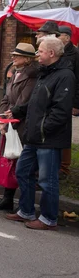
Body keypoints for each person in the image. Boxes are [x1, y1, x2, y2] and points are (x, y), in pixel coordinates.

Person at [5, 37, 75, 231]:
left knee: (47, 180)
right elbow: (37, 102)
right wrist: (19, 110)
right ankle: (26, 210)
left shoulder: (64, 76)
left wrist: (43, 130)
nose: (37, 54)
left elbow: (60, 110)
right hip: (34, 136)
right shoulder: (44, 73)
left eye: (40, 51)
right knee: (23, 171)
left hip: (49, 139)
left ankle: (48, 218)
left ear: (51, 53)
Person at [0, 43, 40, 211]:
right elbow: (6, 97)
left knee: (19, 161)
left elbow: (23, 101)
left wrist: (9, 118)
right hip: (10, 121)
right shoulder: (16, 73)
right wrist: (2, 117)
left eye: (16, 56)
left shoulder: (32, 76)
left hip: (21, 123)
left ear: (27, 59)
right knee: (8, 158)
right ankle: (7, 197)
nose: (13, 58)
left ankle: (24, 204)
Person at [58, 25, 79, 178]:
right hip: (56, 96)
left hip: (69, 97)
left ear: (66, 37)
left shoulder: (76, 54)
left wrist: (76, 104)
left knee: (65, 131)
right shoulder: (57, 52)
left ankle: (64, 167)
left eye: (59, 35)